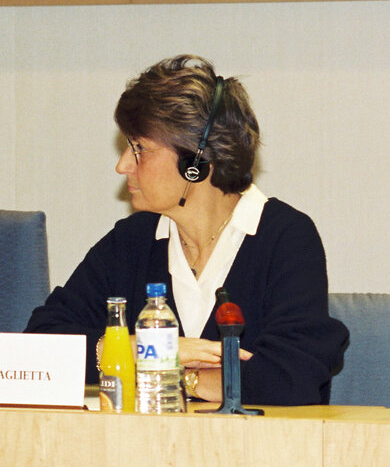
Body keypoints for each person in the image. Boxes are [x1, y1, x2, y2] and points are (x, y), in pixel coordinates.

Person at [25, 55, 348, 405]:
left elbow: (291, 377)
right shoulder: (132, 240)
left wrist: (181, 376)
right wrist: (134, 350)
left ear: (195, 163)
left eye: (139, 150)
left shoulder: (285, 237)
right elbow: (39, 346)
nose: (122, 166)